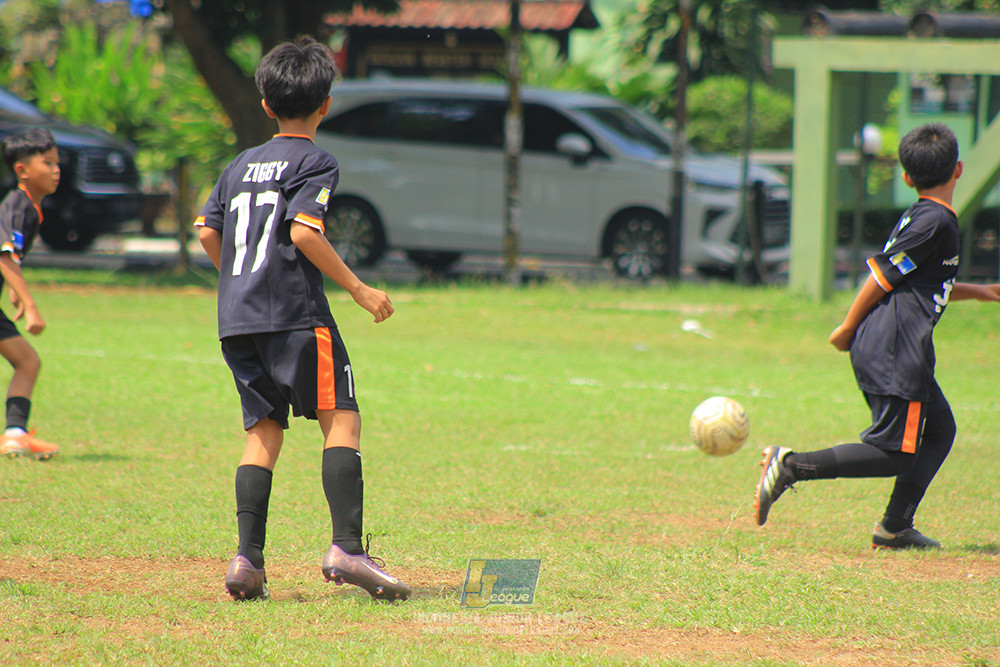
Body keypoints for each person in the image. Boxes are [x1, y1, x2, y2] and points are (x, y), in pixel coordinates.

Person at [196, 37, 410, 601]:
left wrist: (239, 280)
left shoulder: (239, 164)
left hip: (237, 320)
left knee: (263, 432)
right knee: (341, 420)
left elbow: (207, 230)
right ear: (326, 104)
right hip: (295, 314)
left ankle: (247, 561)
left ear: (266, 105)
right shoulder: (316, 161)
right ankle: (347, 549)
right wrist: (360, 289)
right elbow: (303, 232)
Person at [754, 123, 1000, 549]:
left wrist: (980, 292)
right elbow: (882, 276)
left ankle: (894, 527)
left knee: (940, 429)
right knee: (894, 454)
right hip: (895, 348)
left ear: (906, 177)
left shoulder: (925, 216)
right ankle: (790, 465)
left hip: (896, 345)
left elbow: (924, 283)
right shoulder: (935, 222)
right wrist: (847, 327)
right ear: (958, 169)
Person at [0, 128, 61, 461]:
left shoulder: (29, 206)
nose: (56, 170)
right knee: (27, 361)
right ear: (22, 170)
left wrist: (14, 287)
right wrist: (30, 305)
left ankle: (15, 435)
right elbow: (4, 255)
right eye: (47, 163)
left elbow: (11, 257)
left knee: (27, 361)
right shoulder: (17, 205)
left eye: (57, 163)